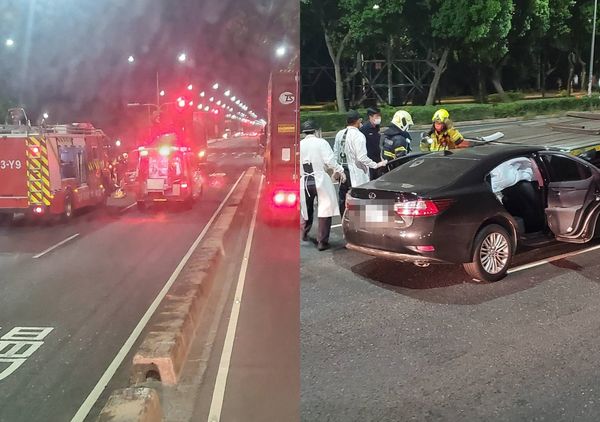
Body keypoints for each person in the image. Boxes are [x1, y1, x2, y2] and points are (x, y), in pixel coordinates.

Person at [300, 120, 346, 251]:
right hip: (320, 178)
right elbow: (330, 160)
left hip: (304, 180)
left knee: (306, 209)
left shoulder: (298, 145)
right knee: (325, 209)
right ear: (316, 131)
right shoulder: (321, 143)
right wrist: (340, 171)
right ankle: (322, 241)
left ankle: (304, 233)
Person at [360, 107, 383, 180]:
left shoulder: (377, 127)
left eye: (379, 116)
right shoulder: (365, 129)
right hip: (369, 160)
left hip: (377, 158)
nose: (378, 118)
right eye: (376, 116)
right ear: (370, 117)